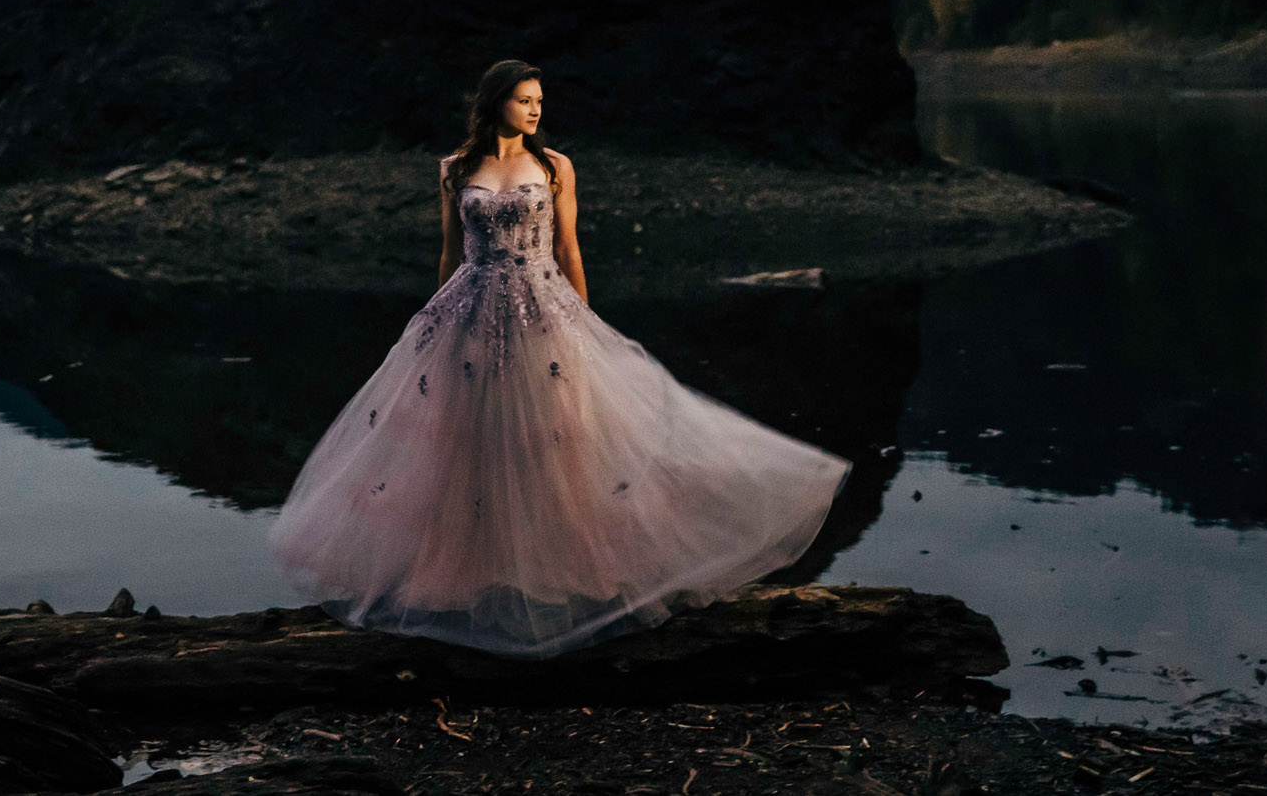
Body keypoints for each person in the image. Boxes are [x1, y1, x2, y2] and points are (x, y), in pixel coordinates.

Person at [266, 59, 849, 658]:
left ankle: (554, 577)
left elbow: (570, 250)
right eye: (525, 99)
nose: (537, 109)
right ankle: (471, 578)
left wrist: (585, 328)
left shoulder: (554, 167)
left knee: (554, 439)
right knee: (470, 443)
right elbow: (449, 255)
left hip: (542, 310)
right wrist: (430, 324)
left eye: (540, 100)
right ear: (497, 103)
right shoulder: (455, 169)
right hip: (467, 312)